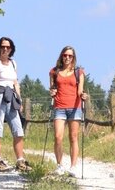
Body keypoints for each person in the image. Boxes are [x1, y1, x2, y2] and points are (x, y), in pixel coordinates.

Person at [0, 36, 31, 172]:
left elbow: (15, 82)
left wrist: (19, 100)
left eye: (8, 47)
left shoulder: (13, 63)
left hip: (12, 97)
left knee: (18, 130)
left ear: (12, 49)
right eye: (3, 46)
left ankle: (20, 161)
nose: (5, 49)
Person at [49, 45, 88, 177]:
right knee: (58, 137)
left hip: (75, 107)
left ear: (73, 58)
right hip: (59, 107)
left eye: (70, 56)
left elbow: (80, 90)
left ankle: (73, 167)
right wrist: (52, 92)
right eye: (65, 55)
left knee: (73, 137)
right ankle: (59, 165)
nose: (67, 58)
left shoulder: (79, 72)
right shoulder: (54, 72)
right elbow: (52, 89)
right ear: (61, 56)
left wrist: (84, 96)